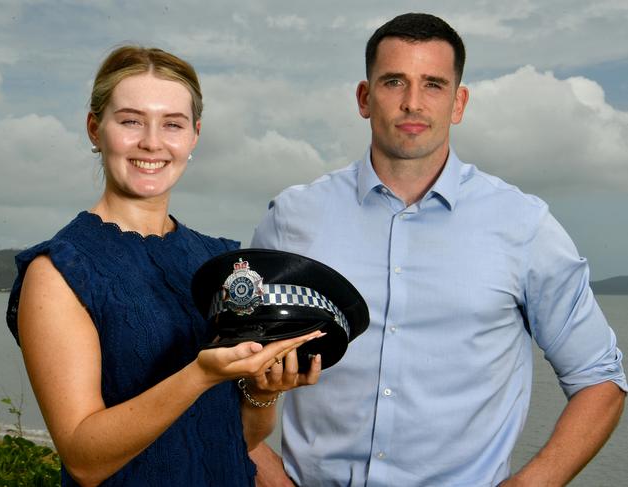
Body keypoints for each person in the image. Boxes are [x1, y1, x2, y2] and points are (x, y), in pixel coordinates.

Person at [249, 12, 627, 487]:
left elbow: (599, 378)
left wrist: (531, 484)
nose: (412, 103)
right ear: (365, 98)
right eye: (393, 82)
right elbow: (225, 369)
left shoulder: (523, 225)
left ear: (458, 102)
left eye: (432, 84)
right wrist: (268, 476)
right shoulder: (291, 219)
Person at [6, 45, 323, 486]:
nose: (152, 142)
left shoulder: (221, 263)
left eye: (172, 124)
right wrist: (199, 374)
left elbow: (239, 439)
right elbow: (83, 459)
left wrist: (262, 394)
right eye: (131, 120)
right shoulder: (59, 270)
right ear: (95, 129)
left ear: (194, 136)